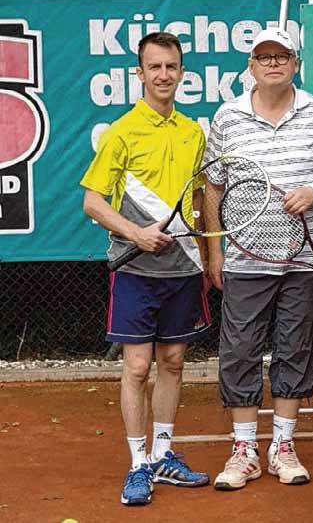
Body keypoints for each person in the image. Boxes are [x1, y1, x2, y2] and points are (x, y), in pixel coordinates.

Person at [202, 28, 313, 491]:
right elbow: (213, 186)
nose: (272, 64)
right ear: (251, 66)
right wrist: (215, 249)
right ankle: (244, 450)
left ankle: (283, 446)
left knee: (295, 350)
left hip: (303, 262)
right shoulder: (227, 117)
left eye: (281, 57)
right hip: (244, 262)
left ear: (295, 64)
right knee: (239, 352)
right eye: (263, 57)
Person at [80, 32, 210, 506]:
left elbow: (199, 198)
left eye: (171, 66)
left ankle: (162, 455)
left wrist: (208, 255)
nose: (163, 75)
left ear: (181, 72)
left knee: (173, 362)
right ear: (139, 73)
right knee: (137, 367)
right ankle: (137, 464)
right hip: (135, 269)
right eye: (154, 67)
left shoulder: (193, 132)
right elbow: (92, 202)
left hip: (183, 268)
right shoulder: (120, 132)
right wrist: (136, 234)